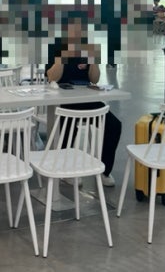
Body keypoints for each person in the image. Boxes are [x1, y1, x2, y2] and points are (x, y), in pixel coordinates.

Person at [45, 14, 122, 186]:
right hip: (62, 100)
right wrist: (62, 57)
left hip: (86, 98)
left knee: (114, 125)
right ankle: (65, 169)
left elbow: (94, 79)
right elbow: (52, 77)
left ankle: (104, 170)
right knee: (68, 125)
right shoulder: (55, 46)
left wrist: (93, 61)